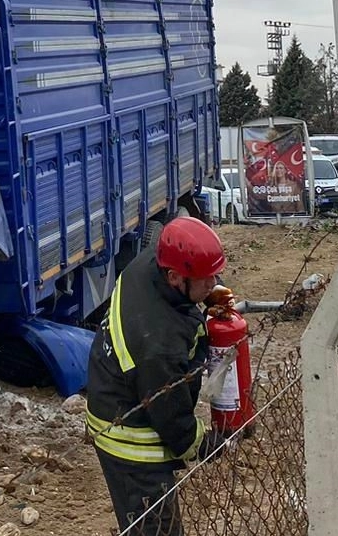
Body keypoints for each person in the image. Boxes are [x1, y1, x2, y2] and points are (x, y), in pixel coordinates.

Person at [86, 218, 222, 535]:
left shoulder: (151, 261)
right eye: (205, 280)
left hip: (114, 391)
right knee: (156, 527)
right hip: (129, 441)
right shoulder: (159, 344)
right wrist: (207, 443)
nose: (214, 284)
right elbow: (173, 421)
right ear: (174, 277)